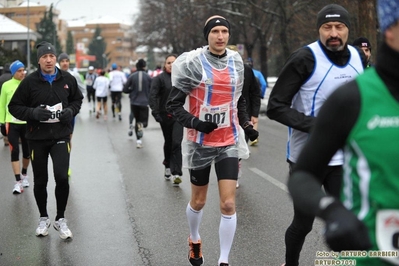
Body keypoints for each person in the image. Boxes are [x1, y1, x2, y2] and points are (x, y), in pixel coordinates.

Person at [288, 1, 399, 265]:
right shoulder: (352, 98)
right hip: (373, 252)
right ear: (390, 29)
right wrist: (333, 211)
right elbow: (302, 175)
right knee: (300, 226)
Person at [266, 4, 366, 266]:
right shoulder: (304, 58)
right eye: (327, 27)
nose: (333, 33)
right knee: (303, 224)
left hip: (344, 159)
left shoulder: (358, 57)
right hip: (308, 158)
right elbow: (275, 106)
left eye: (339, 26)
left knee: (347, 223)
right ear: (319, 30)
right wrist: (322, 127)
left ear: (347, 29)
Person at [166, 15, 258, 266]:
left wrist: (247, 125)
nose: (220, 36)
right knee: (199, 200)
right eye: (215, 31)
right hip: (200, 143)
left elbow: (239, 99)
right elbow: (172, 105)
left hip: (228, 141)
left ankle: (224, 260)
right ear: (207, 35)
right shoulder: (193, 64)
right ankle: (194, 239)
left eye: (224, 31)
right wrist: (196, 122)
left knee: (228, 203)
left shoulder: (236, 62)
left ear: (229, 35)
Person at [8, 41, 83, 239]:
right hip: (37, 138)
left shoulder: (67, 79)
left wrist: (70, 111)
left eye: (51, 56)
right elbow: (14, 107)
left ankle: (60, 219)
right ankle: (43, 218)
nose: (48, 60)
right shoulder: (30, 82)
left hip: (60, 136)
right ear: (39, 60)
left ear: (55, 58)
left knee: (61, 177)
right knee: (40, 180)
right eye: (44, 57)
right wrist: (33, 112)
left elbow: (77, 100)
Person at [227, 45, 261, 188]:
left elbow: (255, 92)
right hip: (226, 115)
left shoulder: (247, 70)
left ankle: (236, 167)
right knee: (228, 146)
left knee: (241, 143)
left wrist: (254, 114)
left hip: (244, 115)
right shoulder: (220, 71)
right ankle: (229, 173)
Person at [149, 54, 183, 185]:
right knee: (169, 142)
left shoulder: (182, 78)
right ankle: (167, 165)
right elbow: (153, 96)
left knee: (176, 142)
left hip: (179, 116)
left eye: (174, 62)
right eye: (169, 62)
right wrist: (156, 113)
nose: (171, 65)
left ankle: (176, 173)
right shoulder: (159, 79)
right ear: (165, 64)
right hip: (165, 116)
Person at [0, 60, 30, 194]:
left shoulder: (28, 84)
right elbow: (2, 105)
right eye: (19, 70)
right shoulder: (6, 85)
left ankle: (24, 175)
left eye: (23, 70)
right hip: (11, 123)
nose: (22, 72)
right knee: (15, 151)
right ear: (13, 72)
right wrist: (1, 123)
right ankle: (17, 182)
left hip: (26, 123)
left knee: (27, 152)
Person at [123, 59, 151, 149]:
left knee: (137, 120)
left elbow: (125, 89)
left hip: (134, 102)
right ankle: (141, 127)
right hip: (144, 102)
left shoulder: (132, 76)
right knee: (143, 122)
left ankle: (139, 140)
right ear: (144, 66)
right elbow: (153, 89)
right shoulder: (148, 77)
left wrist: (132, 90)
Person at [244, 57, 266, 146]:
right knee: (252, 119)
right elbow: (263, 84)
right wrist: (262, 94)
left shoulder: (243, 70)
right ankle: (254, 135)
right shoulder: (257, 73)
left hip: (244, 101)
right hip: (253, 98)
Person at [0, 62, 12, 146]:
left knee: (4, 118)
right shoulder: (12, 77)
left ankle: (5, 138)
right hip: (11, 99)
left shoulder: (1, 77)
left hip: (2, 99)